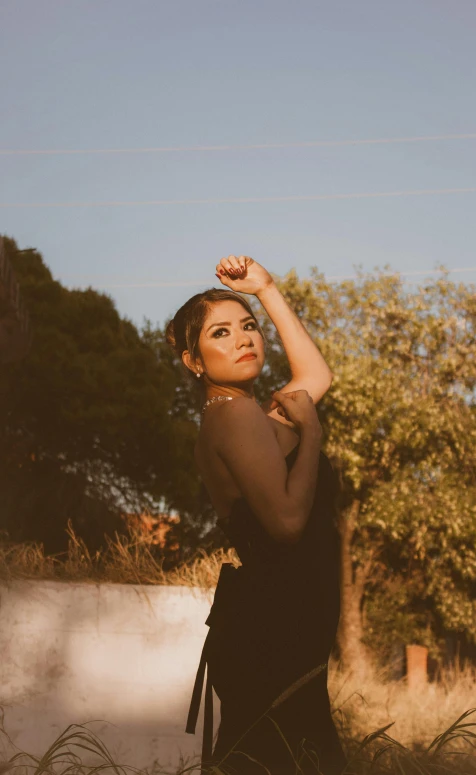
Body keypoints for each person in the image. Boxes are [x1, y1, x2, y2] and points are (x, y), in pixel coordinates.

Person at [166, 255, 347, 774]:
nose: (243, 339)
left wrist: (265, 288)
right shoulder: (238, 416)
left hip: (280, 634)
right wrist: (311, 434)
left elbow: (315, 375)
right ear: (192, 361)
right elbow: (288, 524)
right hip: (277, 636)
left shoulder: (242, 414)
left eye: (248, 327)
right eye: (220, 333)